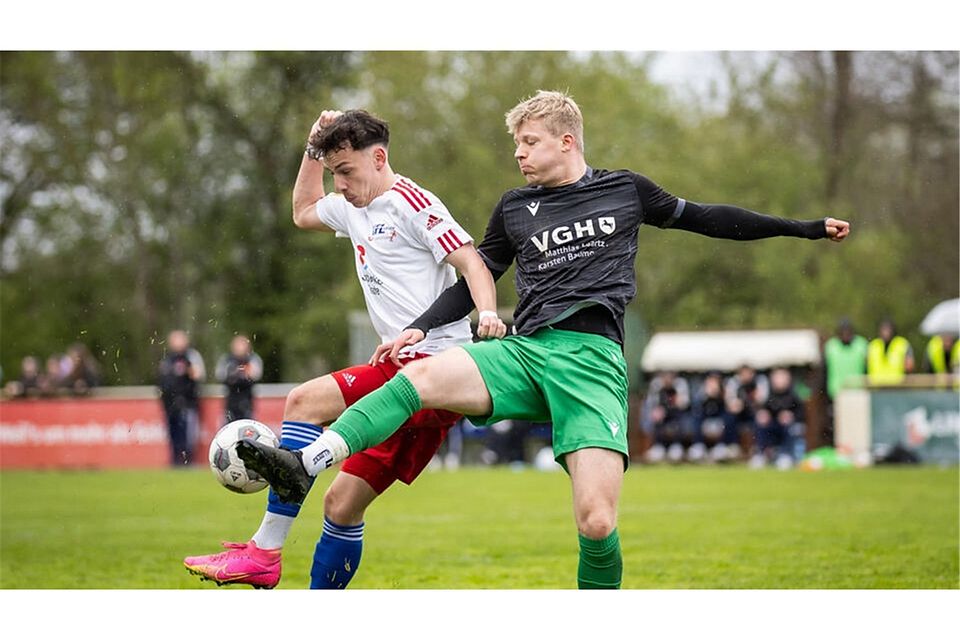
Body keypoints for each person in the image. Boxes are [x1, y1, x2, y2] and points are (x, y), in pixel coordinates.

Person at [237, 90, 851, 589]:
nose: (520, 155)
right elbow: (477, 272)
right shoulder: (514, 207)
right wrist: (422, 326)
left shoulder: (625, 190)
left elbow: (711, 218)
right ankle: (304, 464)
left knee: (596, 520)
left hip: (592, 362)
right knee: (420, 377)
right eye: (516, 146)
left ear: (567, 139)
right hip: (526, 353)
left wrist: (804, 229)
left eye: (528, 142)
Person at [184, 109, 504, 589]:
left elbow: (473, 264)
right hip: (401, 370)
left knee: (303, 402)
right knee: (341, 505)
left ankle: (265, 552)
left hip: (434, 372)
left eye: (347, 172)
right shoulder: (351, 205)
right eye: (334, 173)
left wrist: (488, 313)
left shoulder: (412, 203)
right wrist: (312, 149)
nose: (341, 185)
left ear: (379, 158)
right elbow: (302, 210)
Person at [158, 329, 206, 466]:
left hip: (187, 403)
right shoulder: (167, 358)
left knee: (187, 435)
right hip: (170, 405)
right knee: (173, 434)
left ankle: (188, 461)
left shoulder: (191, 356)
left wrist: (186, 371)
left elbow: (198, 375)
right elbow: (162, 380)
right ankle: (175, 461)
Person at [822, 318, 868, 444]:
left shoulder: (861, 345)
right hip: (836, 393)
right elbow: (824, 371)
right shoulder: (831, 346)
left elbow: (867, 369)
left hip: (857, 392)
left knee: (858, 425)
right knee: (838, 426)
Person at [750, 367, 805, 469]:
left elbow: (801, 415)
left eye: (782, 377)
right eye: (777, 377)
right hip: (772, 424)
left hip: (787, 427)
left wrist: (790, 416)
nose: (779, 380)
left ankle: (785, 455)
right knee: (760, 424)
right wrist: (762, 413)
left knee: (791, 428)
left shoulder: (794, 395)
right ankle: (760, 454)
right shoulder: (768, 393)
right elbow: (762, 409)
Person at [641, 371, 695, 463]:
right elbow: (651, 406)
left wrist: (668, 409)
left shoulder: (680, 385)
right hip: (662, 420)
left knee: (678, 423)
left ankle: (677, 447)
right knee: (656, 420)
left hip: (677, 418)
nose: (667, 378)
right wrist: (657, 412)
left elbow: (683, 404)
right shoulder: (657, 386)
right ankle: (659, 446)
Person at [691, 371, 739, 463]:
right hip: (706, 422)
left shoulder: (725, 392)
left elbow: (732, 408)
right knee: (696, 417)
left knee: (729, 417)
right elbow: (695, 408)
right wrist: (706, 396)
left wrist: (722, 396)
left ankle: (723, 446)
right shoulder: (701, 393)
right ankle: (698, 446)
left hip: (720, 422)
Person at [215, 334, 264, 423]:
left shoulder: (253, 359)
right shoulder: (226, 359)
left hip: (247, 401)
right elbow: (220, 375)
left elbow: (255, 375)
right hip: (231, 401)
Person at [724, 364, 769, 452]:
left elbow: (762, 400)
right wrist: (736, 404)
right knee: (729, 418)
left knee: (761, 418)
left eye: (748, 373)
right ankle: (732, 446)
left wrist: (756, 401)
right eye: (743, 374)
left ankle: (759, 449)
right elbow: (730, 401)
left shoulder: (759, 381)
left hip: (754, 412)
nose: (746, 376)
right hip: (739, 414)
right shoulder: (733, 382)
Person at [867, 318, 914, 385]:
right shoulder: (873, 345)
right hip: (876, 387)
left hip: (897, 388)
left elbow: (909, 367)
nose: (885, 332)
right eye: (884, 329)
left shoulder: (902, 344)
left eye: (888, 329)